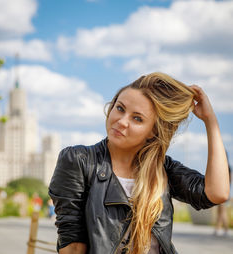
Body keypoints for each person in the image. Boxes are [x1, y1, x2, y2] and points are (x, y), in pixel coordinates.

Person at [49, 72, 230, 254]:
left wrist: (210, 120)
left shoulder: (163, 168)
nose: (121, 121)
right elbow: (72, 247)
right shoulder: (78, 161)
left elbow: (217, 193)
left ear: (152, 131)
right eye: (120, 108)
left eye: (137, 118)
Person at [214, 152, 231, 236]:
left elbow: (229, 181)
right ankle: (223, 229)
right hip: (223, 192)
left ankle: (219, 229)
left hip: (223, 193)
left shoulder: (226, 167)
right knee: (221, 212)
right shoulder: (226, 167)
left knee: (222, 212)